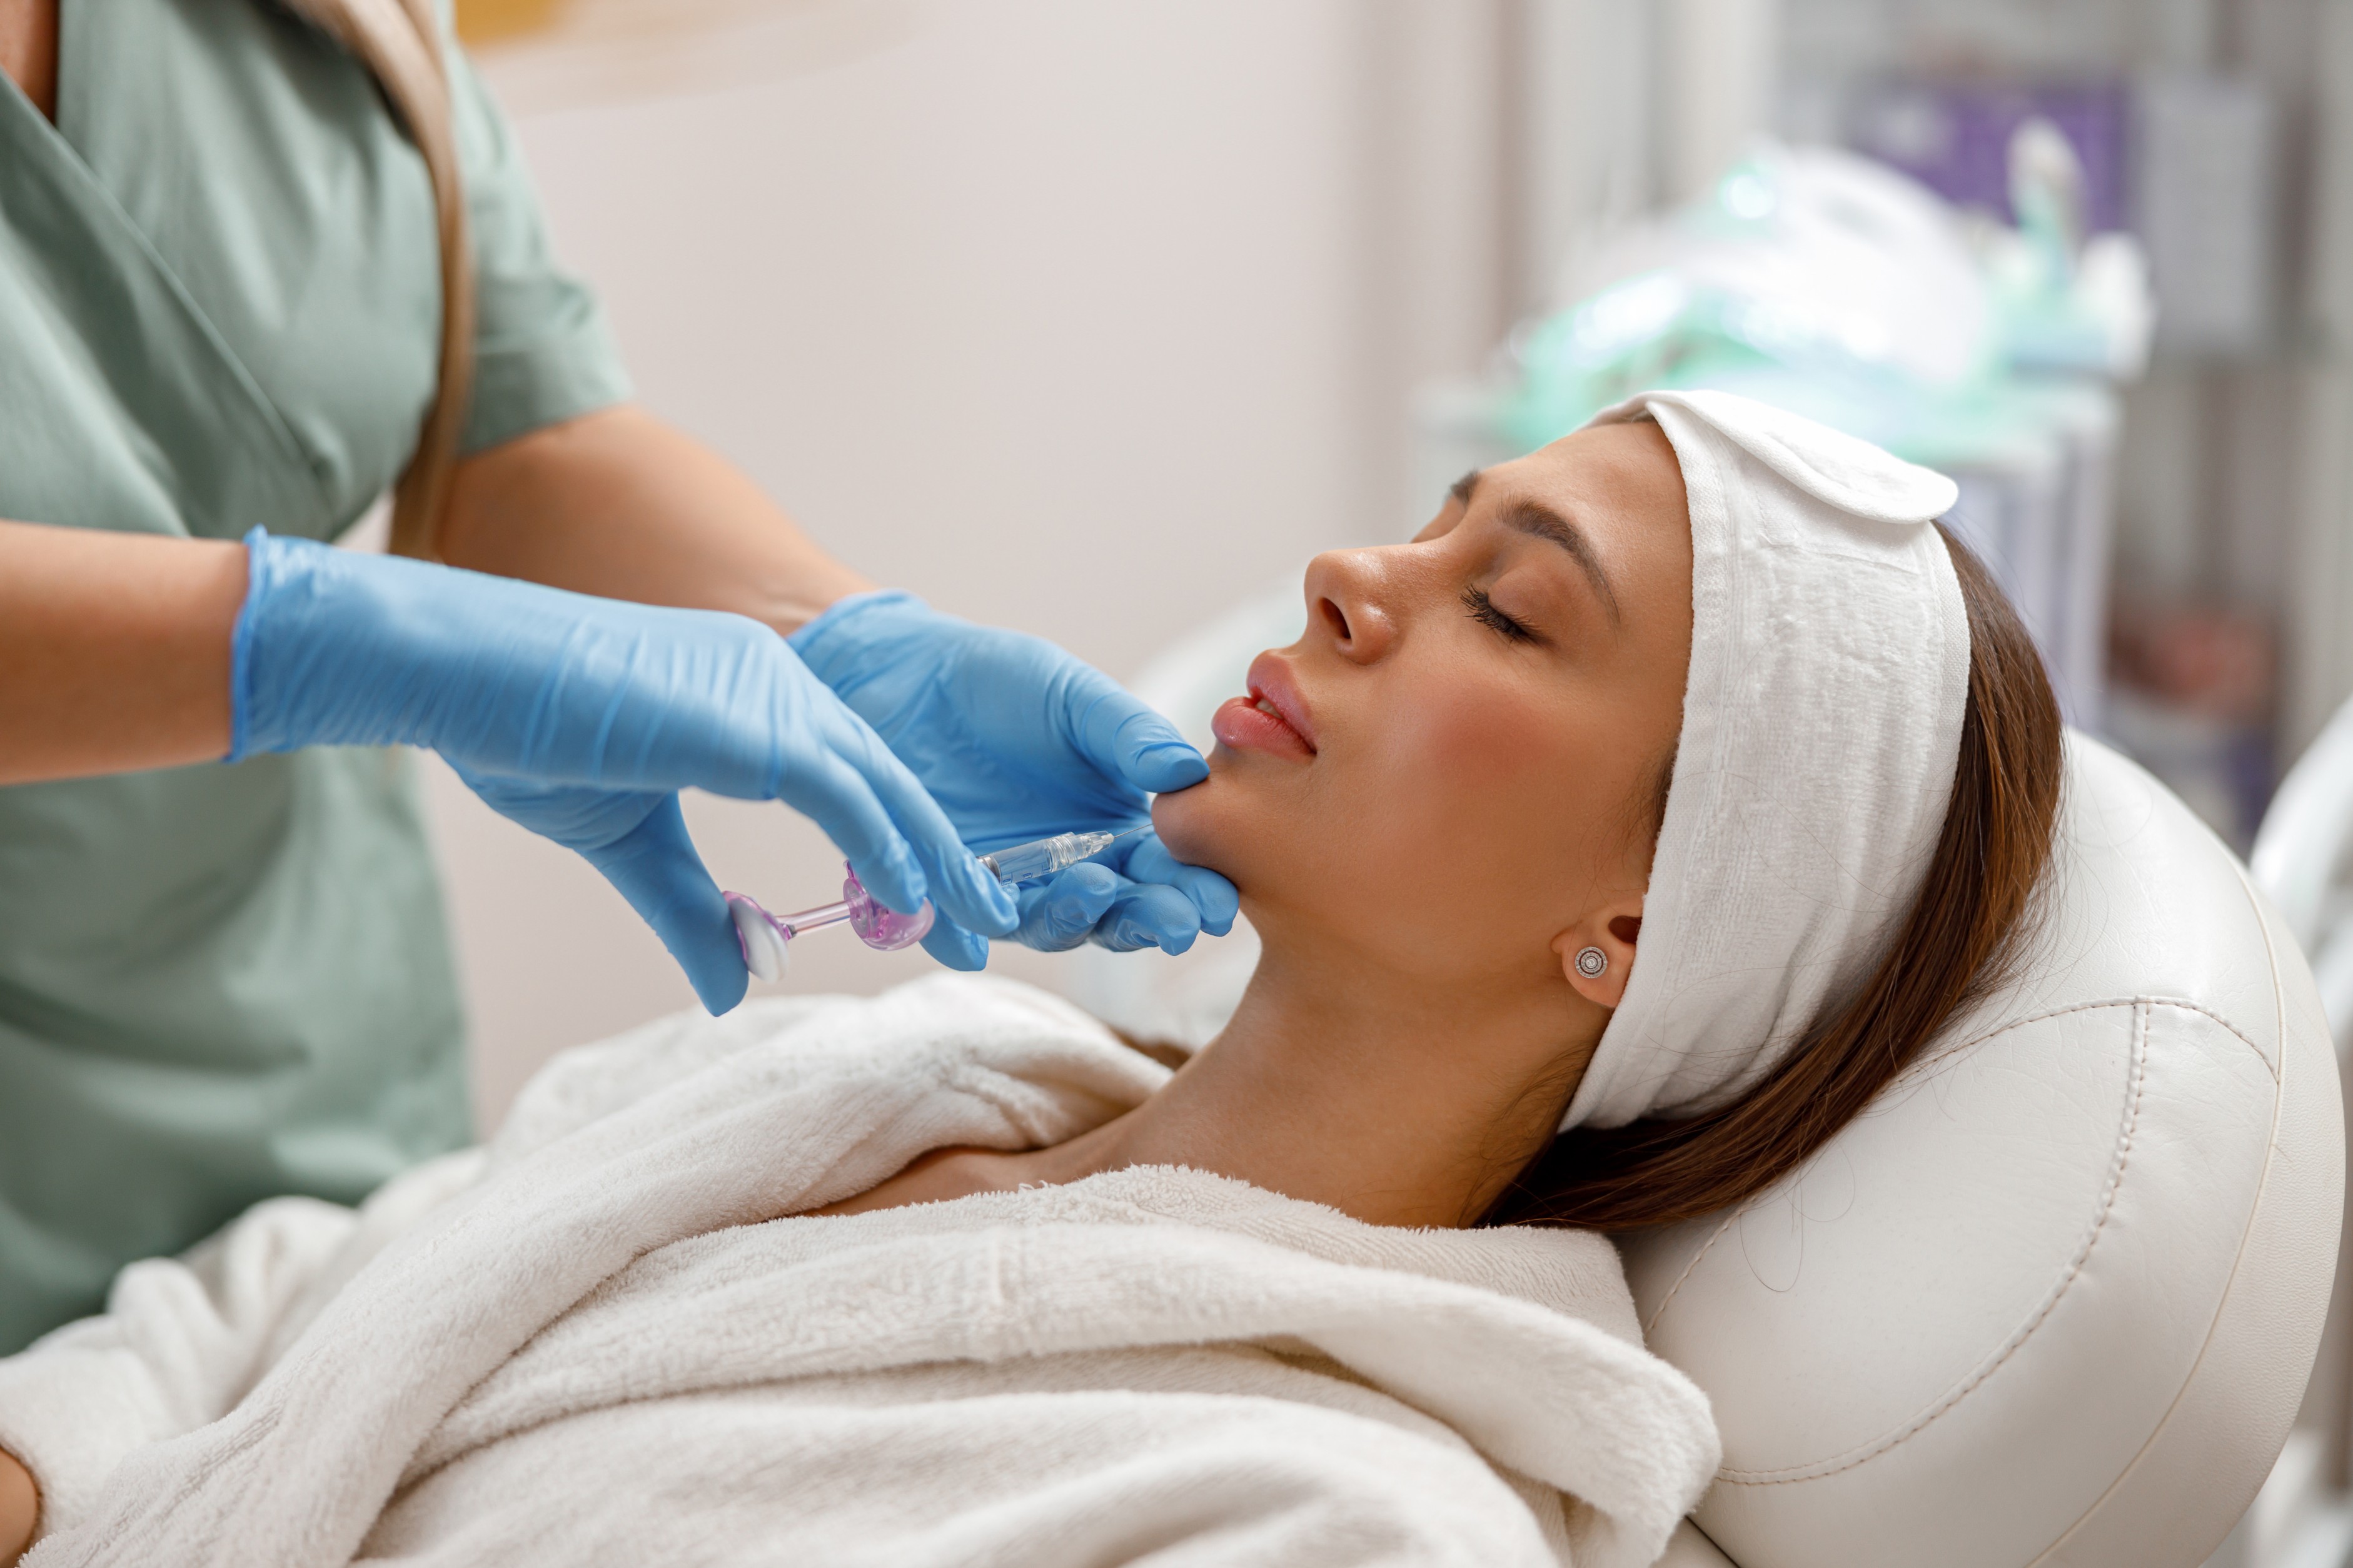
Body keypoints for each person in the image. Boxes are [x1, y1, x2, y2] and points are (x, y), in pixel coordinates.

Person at [0, 391, 2065, 1566]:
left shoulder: (1335, 1520)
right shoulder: (903, 1067)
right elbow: (282, 1295)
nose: (1358, 569)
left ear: (1642, 921)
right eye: (1443, 516)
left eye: (1509, 612)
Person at [0, 0, 1234, 1359]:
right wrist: (330, 644)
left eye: (1505, 608)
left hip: (323, 1123)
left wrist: (829, 646)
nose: (1349, 581)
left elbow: (504, 429)